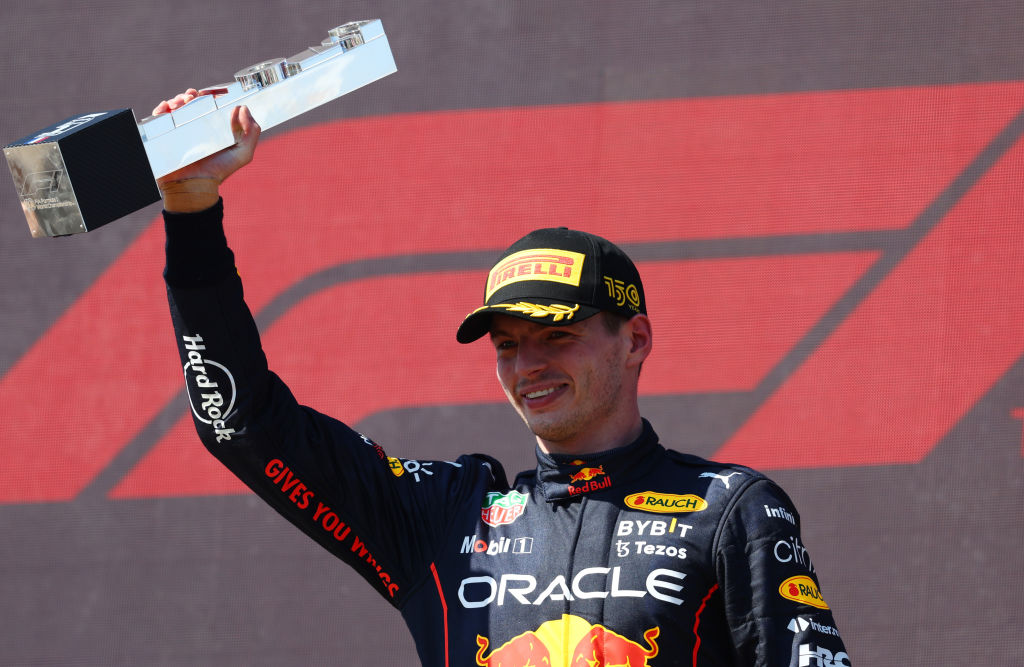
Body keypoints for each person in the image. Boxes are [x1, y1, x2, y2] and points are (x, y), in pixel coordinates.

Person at [155, 91, 851, 666]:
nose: (529, 366)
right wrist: (191, 217)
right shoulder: (444, 517)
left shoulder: (729, 508)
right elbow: (240, 425)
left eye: (558, 335)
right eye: (509, 344)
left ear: (635, 339)